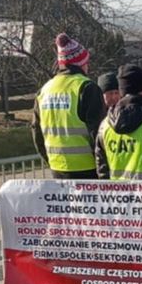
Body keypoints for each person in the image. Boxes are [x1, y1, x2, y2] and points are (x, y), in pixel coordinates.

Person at [32, 31, 105, 179]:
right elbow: (98, 133)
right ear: (82, 64)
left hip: (57, 168)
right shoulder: (87, 88)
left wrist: (50, 161)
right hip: (88, 169)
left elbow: (36, 133)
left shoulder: (44, 91)